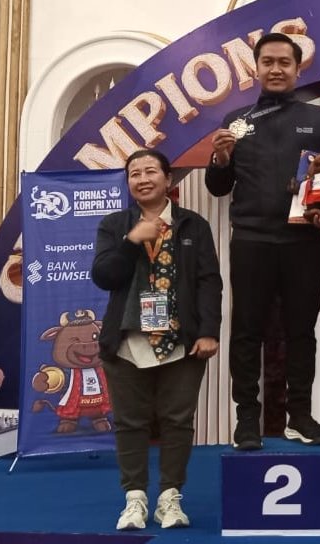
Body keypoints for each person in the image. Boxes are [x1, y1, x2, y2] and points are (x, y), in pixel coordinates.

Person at [206, 33, 320, 451]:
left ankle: (298, 416)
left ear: (299, 69)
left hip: (304, 240)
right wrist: (220, 159)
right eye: (268, 62)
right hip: (251, 240)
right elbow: (217, 187)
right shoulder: (236, 120)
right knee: (247, 332)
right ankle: (247, 419)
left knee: (301, 332)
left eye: (285, 62)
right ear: (256, 68)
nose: (277, 69)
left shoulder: (318, 120)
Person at [92, 149, 223, 530]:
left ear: (168, 179)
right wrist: (132, 241)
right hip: (127, 342)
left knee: (177, 420)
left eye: (151, 171)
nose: (143, 179)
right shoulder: (115, 224)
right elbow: (104, 276)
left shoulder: (193, 225)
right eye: (134, 174)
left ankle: (170, 497)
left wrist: (209, 331)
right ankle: (134, 498)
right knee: (129, 422)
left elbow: (208, 281)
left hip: (181, 342)